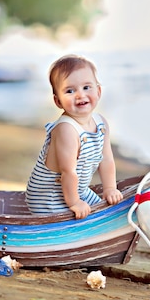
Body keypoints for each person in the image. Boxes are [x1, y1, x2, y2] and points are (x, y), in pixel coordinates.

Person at [26, 54, 123, 219]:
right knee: (88, 219)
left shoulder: (101, 123)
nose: (80, 95)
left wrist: (109, 188)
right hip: (49, 196)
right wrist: (74, 203)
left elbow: (106, 159)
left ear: (98, 91)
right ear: (58, 101)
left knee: (107, 213)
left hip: (79, 190)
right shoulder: (66, 129)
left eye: (86, 87)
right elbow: (68, 172)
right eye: (70, 91)